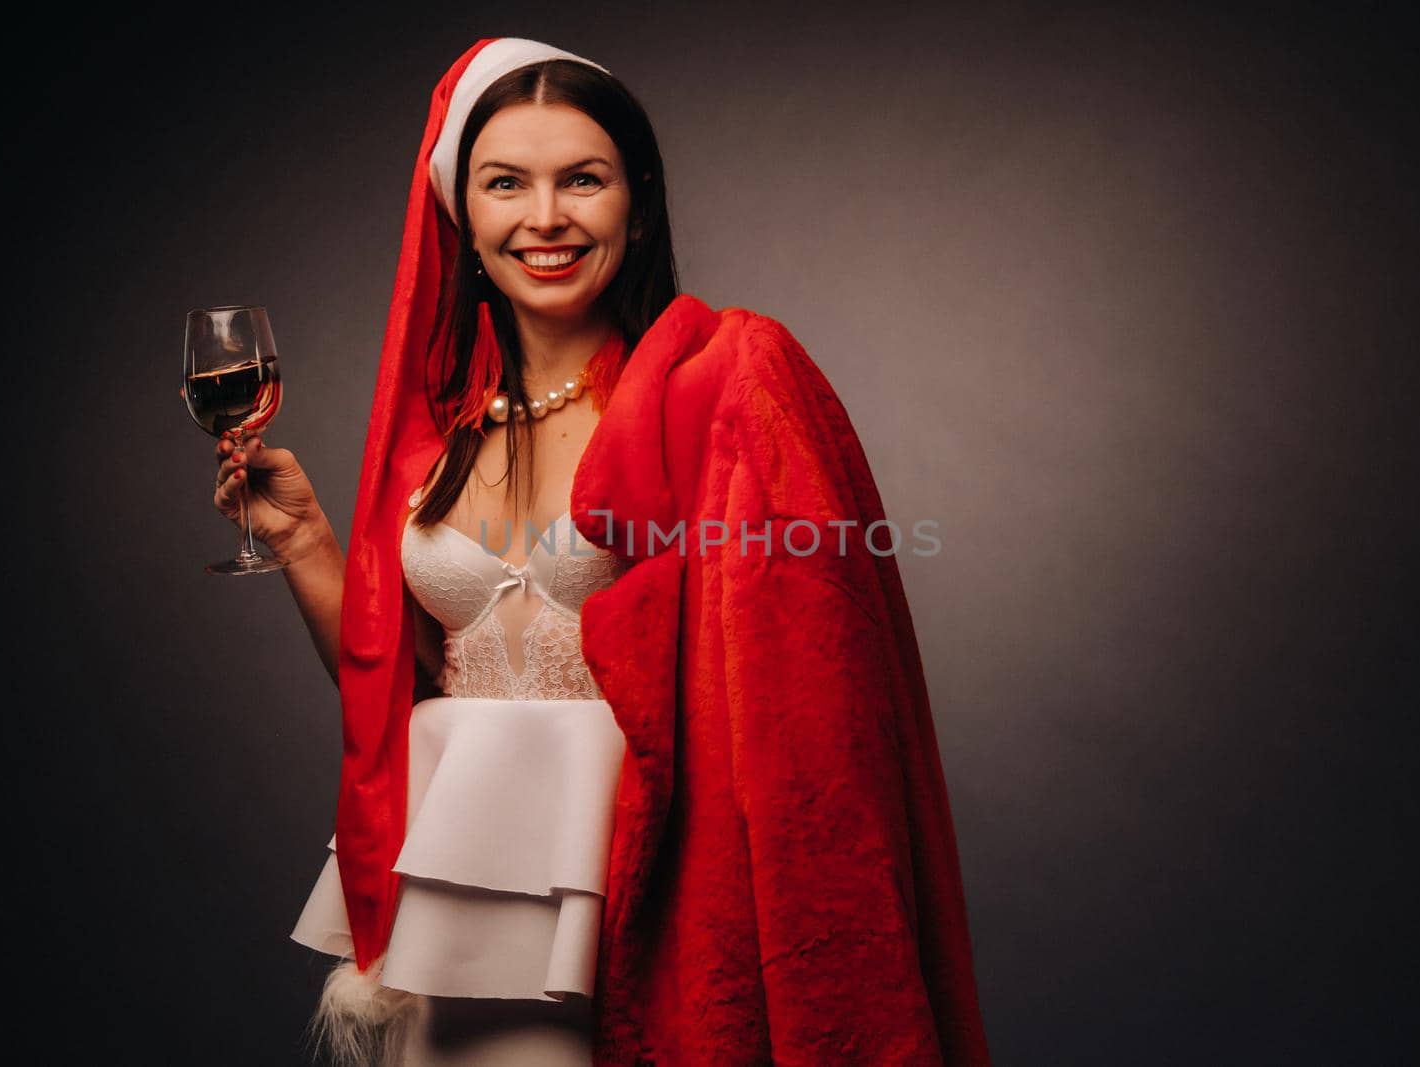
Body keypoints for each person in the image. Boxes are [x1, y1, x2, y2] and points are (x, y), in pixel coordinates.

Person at [211, 37, 994, 1066]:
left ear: (637, 197)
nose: (545, 218)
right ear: (462, 213)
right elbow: (399, 691)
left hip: (661, 906)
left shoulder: (720, 389)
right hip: (467, 910)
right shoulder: (439, 438)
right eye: (506, 184)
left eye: (582, 178)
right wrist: (309, 544)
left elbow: (812, 706)